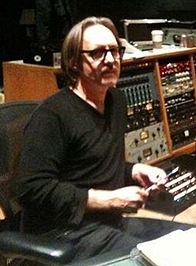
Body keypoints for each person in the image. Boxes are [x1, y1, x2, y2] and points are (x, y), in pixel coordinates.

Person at [13, 16, 186, 264]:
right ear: (74, 62)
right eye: (97, 53)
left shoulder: (116, 101)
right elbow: (30, 189)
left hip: (109, 222)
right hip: (64, 231)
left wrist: (134, 170)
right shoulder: (52, 115)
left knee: (186, 242)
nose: (110, 59)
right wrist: (111, 199)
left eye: (114, 51)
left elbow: (93, 166)